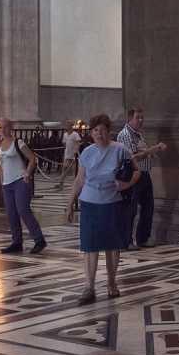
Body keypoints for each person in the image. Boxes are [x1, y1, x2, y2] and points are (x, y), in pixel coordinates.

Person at [68, 114, 138, 303]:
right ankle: (88, 287)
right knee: (89, 246)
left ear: (109, 131)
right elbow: (80, 179)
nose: (99, 134)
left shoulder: (120, 150)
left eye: (103, 130)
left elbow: (137, 170)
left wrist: (126, 185)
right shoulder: (87, 152)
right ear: (91, 133)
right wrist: (70, 203)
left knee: (112, 246)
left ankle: (112, 282)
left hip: (112, 202)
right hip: (90, 203)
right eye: (95, 130)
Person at [115, 107, 167, 249]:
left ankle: (143, 238)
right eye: (138, 117)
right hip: (132, 175)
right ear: (130, 118)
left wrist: (150, 153)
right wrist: (154, 148)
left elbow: (143, 152)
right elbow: (133, 156)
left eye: (142, 117)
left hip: (144, 174)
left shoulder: (139, 135)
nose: (141, 120)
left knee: (148, 207)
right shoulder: (125, 134)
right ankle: (126, 240)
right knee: (130, 209)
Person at [0, 118, 46, 254]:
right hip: (7, 184)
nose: (3, 130)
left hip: (20, 181)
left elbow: (32, 158)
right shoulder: (0, 144)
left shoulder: (18, 142)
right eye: (0, 127)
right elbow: (1, 164)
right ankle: (17, 242)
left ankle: (39, 240)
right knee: (11, 214)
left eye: (5, 127)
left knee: (23, 210)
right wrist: (2, 181)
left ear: (10, 128)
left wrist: (27, 173)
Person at [58, 121, 81, 190]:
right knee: (64, 168)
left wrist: (76, 151)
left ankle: (76, 184)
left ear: (71, 126)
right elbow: (65, 144)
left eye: (68, 125)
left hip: (74, 155)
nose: (67, 127)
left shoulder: (75, 134)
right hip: (67, 154)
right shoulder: (65, 134)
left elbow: (78, 143)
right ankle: (61, 183)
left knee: (75, 170)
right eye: (66, 125)